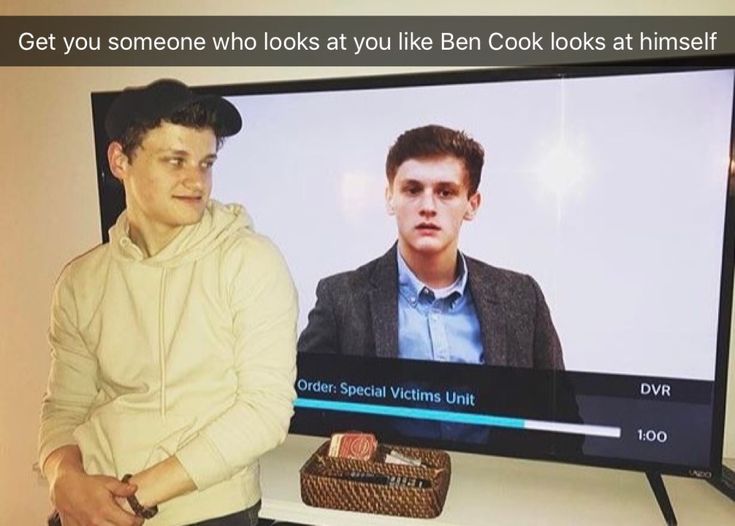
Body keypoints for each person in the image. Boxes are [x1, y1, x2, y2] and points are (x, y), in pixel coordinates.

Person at [38, 79, 298, 526]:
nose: (196, 180)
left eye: (206, 162)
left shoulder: (249, 261)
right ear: (120, 161)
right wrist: (63, 476)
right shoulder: (80, 282)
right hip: (92, 507)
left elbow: (264, 411)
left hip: (207, 509)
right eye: (175, 160)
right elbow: (64, 407)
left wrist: (133, 499)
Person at [298, 124, 563, 369]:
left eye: (445, 192)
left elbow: (560, 415)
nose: (427, 207)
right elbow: (302, 411)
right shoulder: (341, 299)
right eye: (412, 190)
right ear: (390, 198)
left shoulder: (522, 299)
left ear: (472, 204)